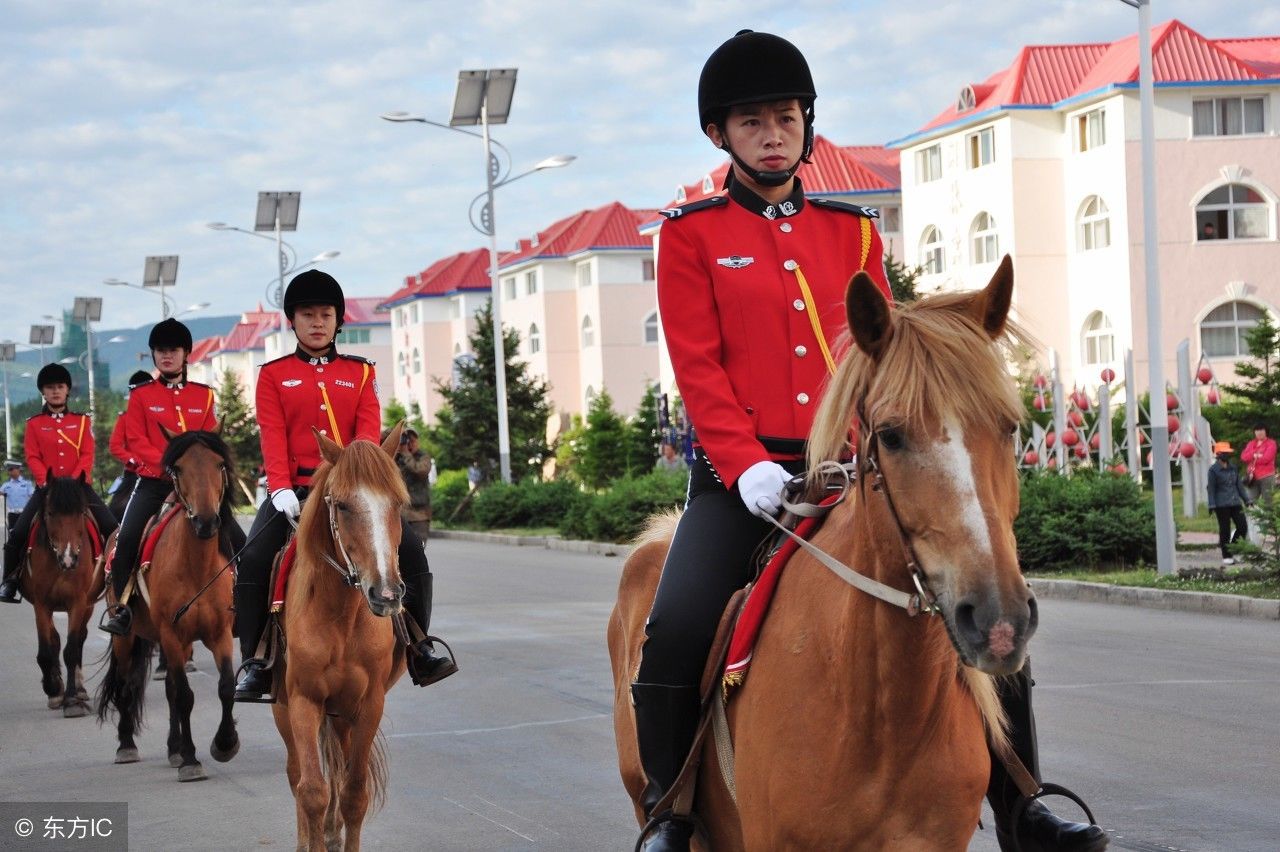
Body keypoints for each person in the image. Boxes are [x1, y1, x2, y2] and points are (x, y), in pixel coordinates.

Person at [632, 30, 1106, 852]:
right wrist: (747, 470)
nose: (772, 133)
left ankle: (1022, 803)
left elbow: (884, 359)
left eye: (785, 117)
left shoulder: (852, 233)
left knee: (985, 607)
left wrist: (861, 451)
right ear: (721, 135)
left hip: (854, 468)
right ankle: (671, 815)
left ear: (806, 125)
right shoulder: (689, 236)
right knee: (674, 626)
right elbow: (699, 372)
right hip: (739, 483)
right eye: (752, 122)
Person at [233, 270, 457, 702]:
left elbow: (367, 440)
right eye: (307, 315)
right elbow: (272, 436)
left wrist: (357, 485)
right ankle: (256, 662)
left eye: (325, 315)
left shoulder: (359, 374)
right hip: (294, 494)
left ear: (338, 322)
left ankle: (418, 646)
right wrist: (279, 488)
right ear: (293, 322)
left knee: (410, 553)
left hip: (351, 493)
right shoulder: (274, 375)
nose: (317, 322)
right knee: (256, 557)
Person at [100, 319, 241, 635]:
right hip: (154, 481)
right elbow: (135, 439)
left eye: (173, 350)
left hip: (197, 486)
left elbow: (210, 441)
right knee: (127, 540)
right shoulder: (141, 396)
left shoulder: (204, 397)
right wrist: (169, 466)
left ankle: (242, 602)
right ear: (153, 356)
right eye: (160, 351)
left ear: (185, 353)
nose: (167, 356)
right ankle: (122, 608)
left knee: (239, 541)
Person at [1, 364, 118, 604]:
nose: (55, 391)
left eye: (60, 387)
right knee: (18, 533)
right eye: (50, 387)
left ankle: (117, 577)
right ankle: (10, 580)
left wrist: (76, 480)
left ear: (67, 391)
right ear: (43, 392)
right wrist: (45, 480)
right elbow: (32, 455)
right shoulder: (34, 424)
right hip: (47, 489)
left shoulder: (82, 422)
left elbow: (87, 453)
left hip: (80, 488)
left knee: (113, 528)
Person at [107, 370, 155, 521]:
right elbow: (115, 446)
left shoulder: (161, 416)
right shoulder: (125, 418)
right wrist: (132, 459)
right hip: (134, 474)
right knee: (114, 511)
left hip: (160, 474)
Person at [1207, 441, 1251, 565]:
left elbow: (1240, 486)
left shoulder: (1234, 468)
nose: (1227, 455)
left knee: (1243, 527)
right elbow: (1211, 489)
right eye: (1224, 453)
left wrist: (1247, 500)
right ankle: (1226, 555)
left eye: (1228, 453)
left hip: (1235, 502)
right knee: (1225, 530)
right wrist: (1211, 505)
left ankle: (1232, 548)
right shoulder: (1213, 471)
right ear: (1218, 454)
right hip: (1221, 505)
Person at [394, 428, 433, 539]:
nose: (410, 444)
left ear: (417, 441)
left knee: (418, 550)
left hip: (419, 516)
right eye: (406, 440)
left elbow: (421, 470)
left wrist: (406, 454)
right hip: (400, 515)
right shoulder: (396, 458)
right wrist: (397, 432)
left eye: (412, 440)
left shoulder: (423, 457)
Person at [1241, 423, 1276, 505]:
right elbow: (1243, 457)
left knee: (1268, 502)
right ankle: (1252, 518)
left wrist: (1252, 457)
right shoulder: (1251, 443)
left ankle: (1268, 518)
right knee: (1251, 501)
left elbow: (1267, 459)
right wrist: (1255, 454)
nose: (1259, 432)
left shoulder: (1271, 443)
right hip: (1252, 477)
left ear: (1266, 431)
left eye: (1261, 430)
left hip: (1267, 476)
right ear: (1254, 432)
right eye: (1257, 430)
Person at [2, 461, 34, 532]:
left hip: (24, 514)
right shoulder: (6, 485)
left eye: (11, 469)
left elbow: (32, 496)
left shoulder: (27, 483)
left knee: (24, 533)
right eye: (8, 470)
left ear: (18, 470)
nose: (9, 472)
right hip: (12, 514)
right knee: (12, 535)